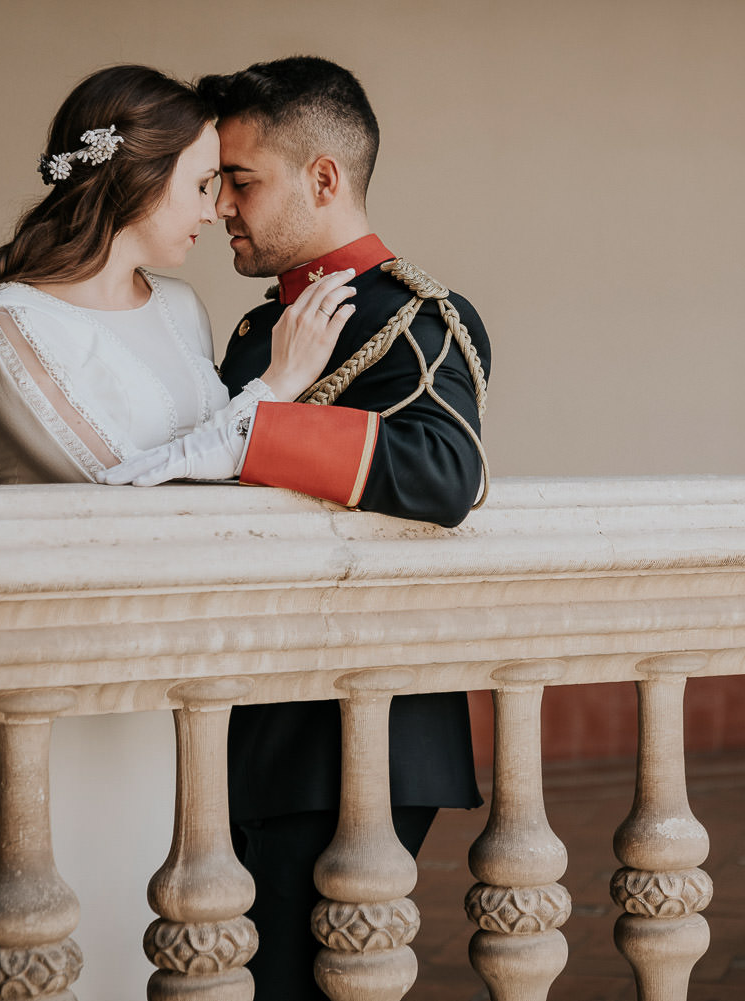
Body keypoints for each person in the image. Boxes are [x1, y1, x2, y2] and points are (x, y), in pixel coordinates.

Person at [0, 64, 356, 999]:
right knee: (43, 924)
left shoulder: (182, 309)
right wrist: (273, 392)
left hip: (174, 670)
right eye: (199, 182)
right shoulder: (9, 322)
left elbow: (217, 474)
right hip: (55, 673)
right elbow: (114, 485)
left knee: (171, 923)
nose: (218, 207)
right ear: (137, 181)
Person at [106, 56, 491, 1001]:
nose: (223, 206)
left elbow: (447, 472)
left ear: (322, 178)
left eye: (241, 180)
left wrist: (259, 425)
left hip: (356, 729)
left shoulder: (418, 316)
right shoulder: (251, 331)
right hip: (248, 710)